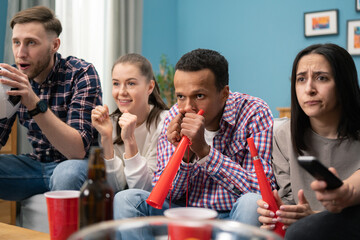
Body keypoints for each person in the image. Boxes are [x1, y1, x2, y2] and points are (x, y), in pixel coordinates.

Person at [113, 48, 276, 225]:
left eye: (199, 96)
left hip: (231, 216)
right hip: (183, 214)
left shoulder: (254, 113)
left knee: (252, 203)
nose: (187, 107)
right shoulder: (174, 116)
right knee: (126, 199)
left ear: (224, 94)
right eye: (181, 96)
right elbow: (167, 195)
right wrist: (184, 157)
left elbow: (262, 189)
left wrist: (205, 152)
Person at [256, 43, 360, 236]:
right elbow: (288, 200)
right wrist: (280, 215)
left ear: (343, 83)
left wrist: (314, 217)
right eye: (301, 79)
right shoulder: (283, 135)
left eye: (322, 78)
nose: (309, 89)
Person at [0, 6, 102, 201]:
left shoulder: (82, 74)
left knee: (68, 174)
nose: (21, 53)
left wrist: (33, 102)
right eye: (16, 42)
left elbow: (77, 151)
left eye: (31, 43)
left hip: (78, 165)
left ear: (54, 45)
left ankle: (69, 233)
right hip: (36, 166)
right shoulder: (12, 79)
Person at [91, 53, 168, 193]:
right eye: (116, 83)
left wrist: (129, 139)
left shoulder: (165, 123)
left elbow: (144, 190)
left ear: (150, 87)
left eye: (131, 83)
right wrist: (107, 138)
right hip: (123, 201)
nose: (121, 92)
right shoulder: (109, 125)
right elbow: (115, 188)